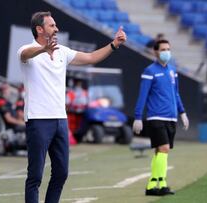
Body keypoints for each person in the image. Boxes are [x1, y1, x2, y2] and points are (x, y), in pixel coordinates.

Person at [17, 11, 126, 203]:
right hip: (38, 120)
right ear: (39, 29)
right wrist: (43, 50)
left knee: (61, 173)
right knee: (35, 176)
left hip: (60, 120)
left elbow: (91, 57)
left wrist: (114, 45)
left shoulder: (63, 52)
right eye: (52, 25)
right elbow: (26, 55)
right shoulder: (27, 50)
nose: (57, 28)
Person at [133, 39, 189, 196]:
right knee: (164, 149)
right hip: (156, 117)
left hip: (171, 118)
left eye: (168, 49)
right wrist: (138, 117)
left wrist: (182, 112)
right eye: (163, 49)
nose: (166, 52)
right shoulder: (149, 71)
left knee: (160, 151)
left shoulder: (172, 70)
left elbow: (176, 93)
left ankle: (154, 186)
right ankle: (160, 184)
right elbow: (142, 95)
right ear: (155, 52)